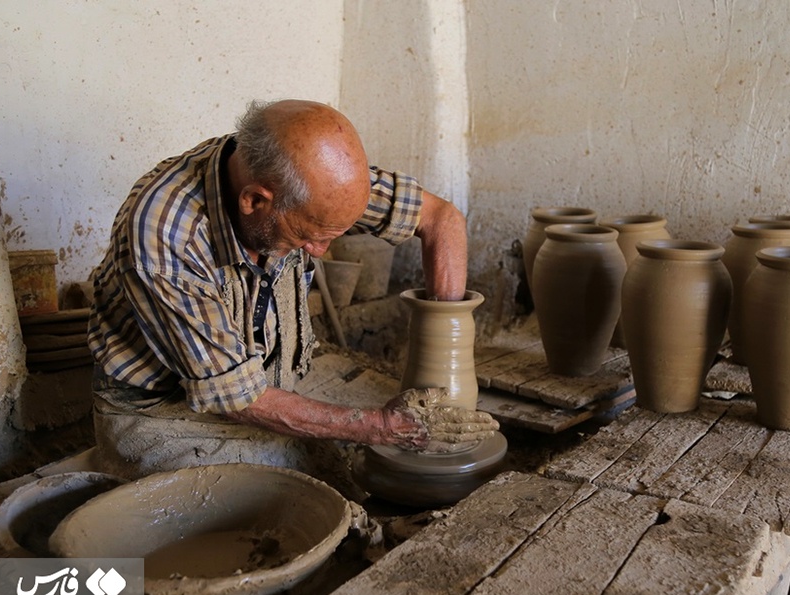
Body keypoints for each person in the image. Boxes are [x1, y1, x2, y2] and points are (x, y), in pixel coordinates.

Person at [88, 99, 498, 481]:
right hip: (162, 414)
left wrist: (447, 325)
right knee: (303, 487)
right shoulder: (166, 235)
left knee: (340, 462)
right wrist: (385, 427)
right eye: (312, 236)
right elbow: (238, 398)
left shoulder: (317, 181)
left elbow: (442, 219)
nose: (321, 251)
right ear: (254, 200)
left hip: (266, 384)